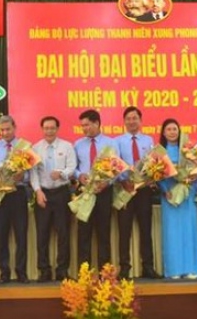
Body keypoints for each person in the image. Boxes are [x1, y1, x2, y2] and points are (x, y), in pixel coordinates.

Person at [115, 107, 161, 279]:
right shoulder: (117, 141)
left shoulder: (148, 140)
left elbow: (153, 164)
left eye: (134, 118)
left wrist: (150, 177)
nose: (131, 121)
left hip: (143, 190)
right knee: (124, 230)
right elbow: (115, 164)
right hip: (125, 189)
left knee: (145, 229)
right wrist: (123, 181)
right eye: (128, 118)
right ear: (124, 121)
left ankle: (148, 267)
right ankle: (124, 268)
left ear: (140, 120)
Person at [31, 116, 77, 282]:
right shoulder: (35, 148)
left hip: (61, 193)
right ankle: (44, 270)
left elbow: (72, 167)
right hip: (43, 193)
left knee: (63, 234)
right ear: (42, 129)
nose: (49, 131)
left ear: (57, 129)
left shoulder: (67, 146)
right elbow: (33, 173)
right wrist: (37, 191)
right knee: (42, 234)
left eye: (52, 128)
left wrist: (62, 173)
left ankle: (62, 270)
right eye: (46, 128)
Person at [157, 119, 197, 280]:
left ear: (179, 131)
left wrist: (193, 176)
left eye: (174, 129)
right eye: (168, 129)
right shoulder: (160, 152)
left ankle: (192, 268)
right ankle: (174, 269)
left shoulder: (188, 150)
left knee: (189, 230)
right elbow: (156, 174)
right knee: (173, 233)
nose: (172, 132)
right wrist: (165, 190)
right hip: (170, 196)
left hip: (188, 193)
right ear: (163, 133)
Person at [73, 109, 118, 271]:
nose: (84, 128)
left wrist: (107, 182)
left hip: (104, 192)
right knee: (83, 233)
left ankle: (104, 273)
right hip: (85, 192)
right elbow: (74, 167)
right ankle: (84, 273)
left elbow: (117, 168)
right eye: (82, 126)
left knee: (103, 233)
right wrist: (79, 175)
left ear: (97, 123)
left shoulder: (111, 143)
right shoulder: (78, 144)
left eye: (87, 125)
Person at [0, 115, 29, 283]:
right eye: (2, 130)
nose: (5, 133)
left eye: (8, 129)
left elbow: (31, 171)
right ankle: (4, 272)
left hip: (18, 193)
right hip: (0, 194)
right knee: (2, 234)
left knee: (21, 234)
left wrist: (23, 176)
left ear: (15, 128)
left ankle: (21, 271)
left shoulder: (24, 146)